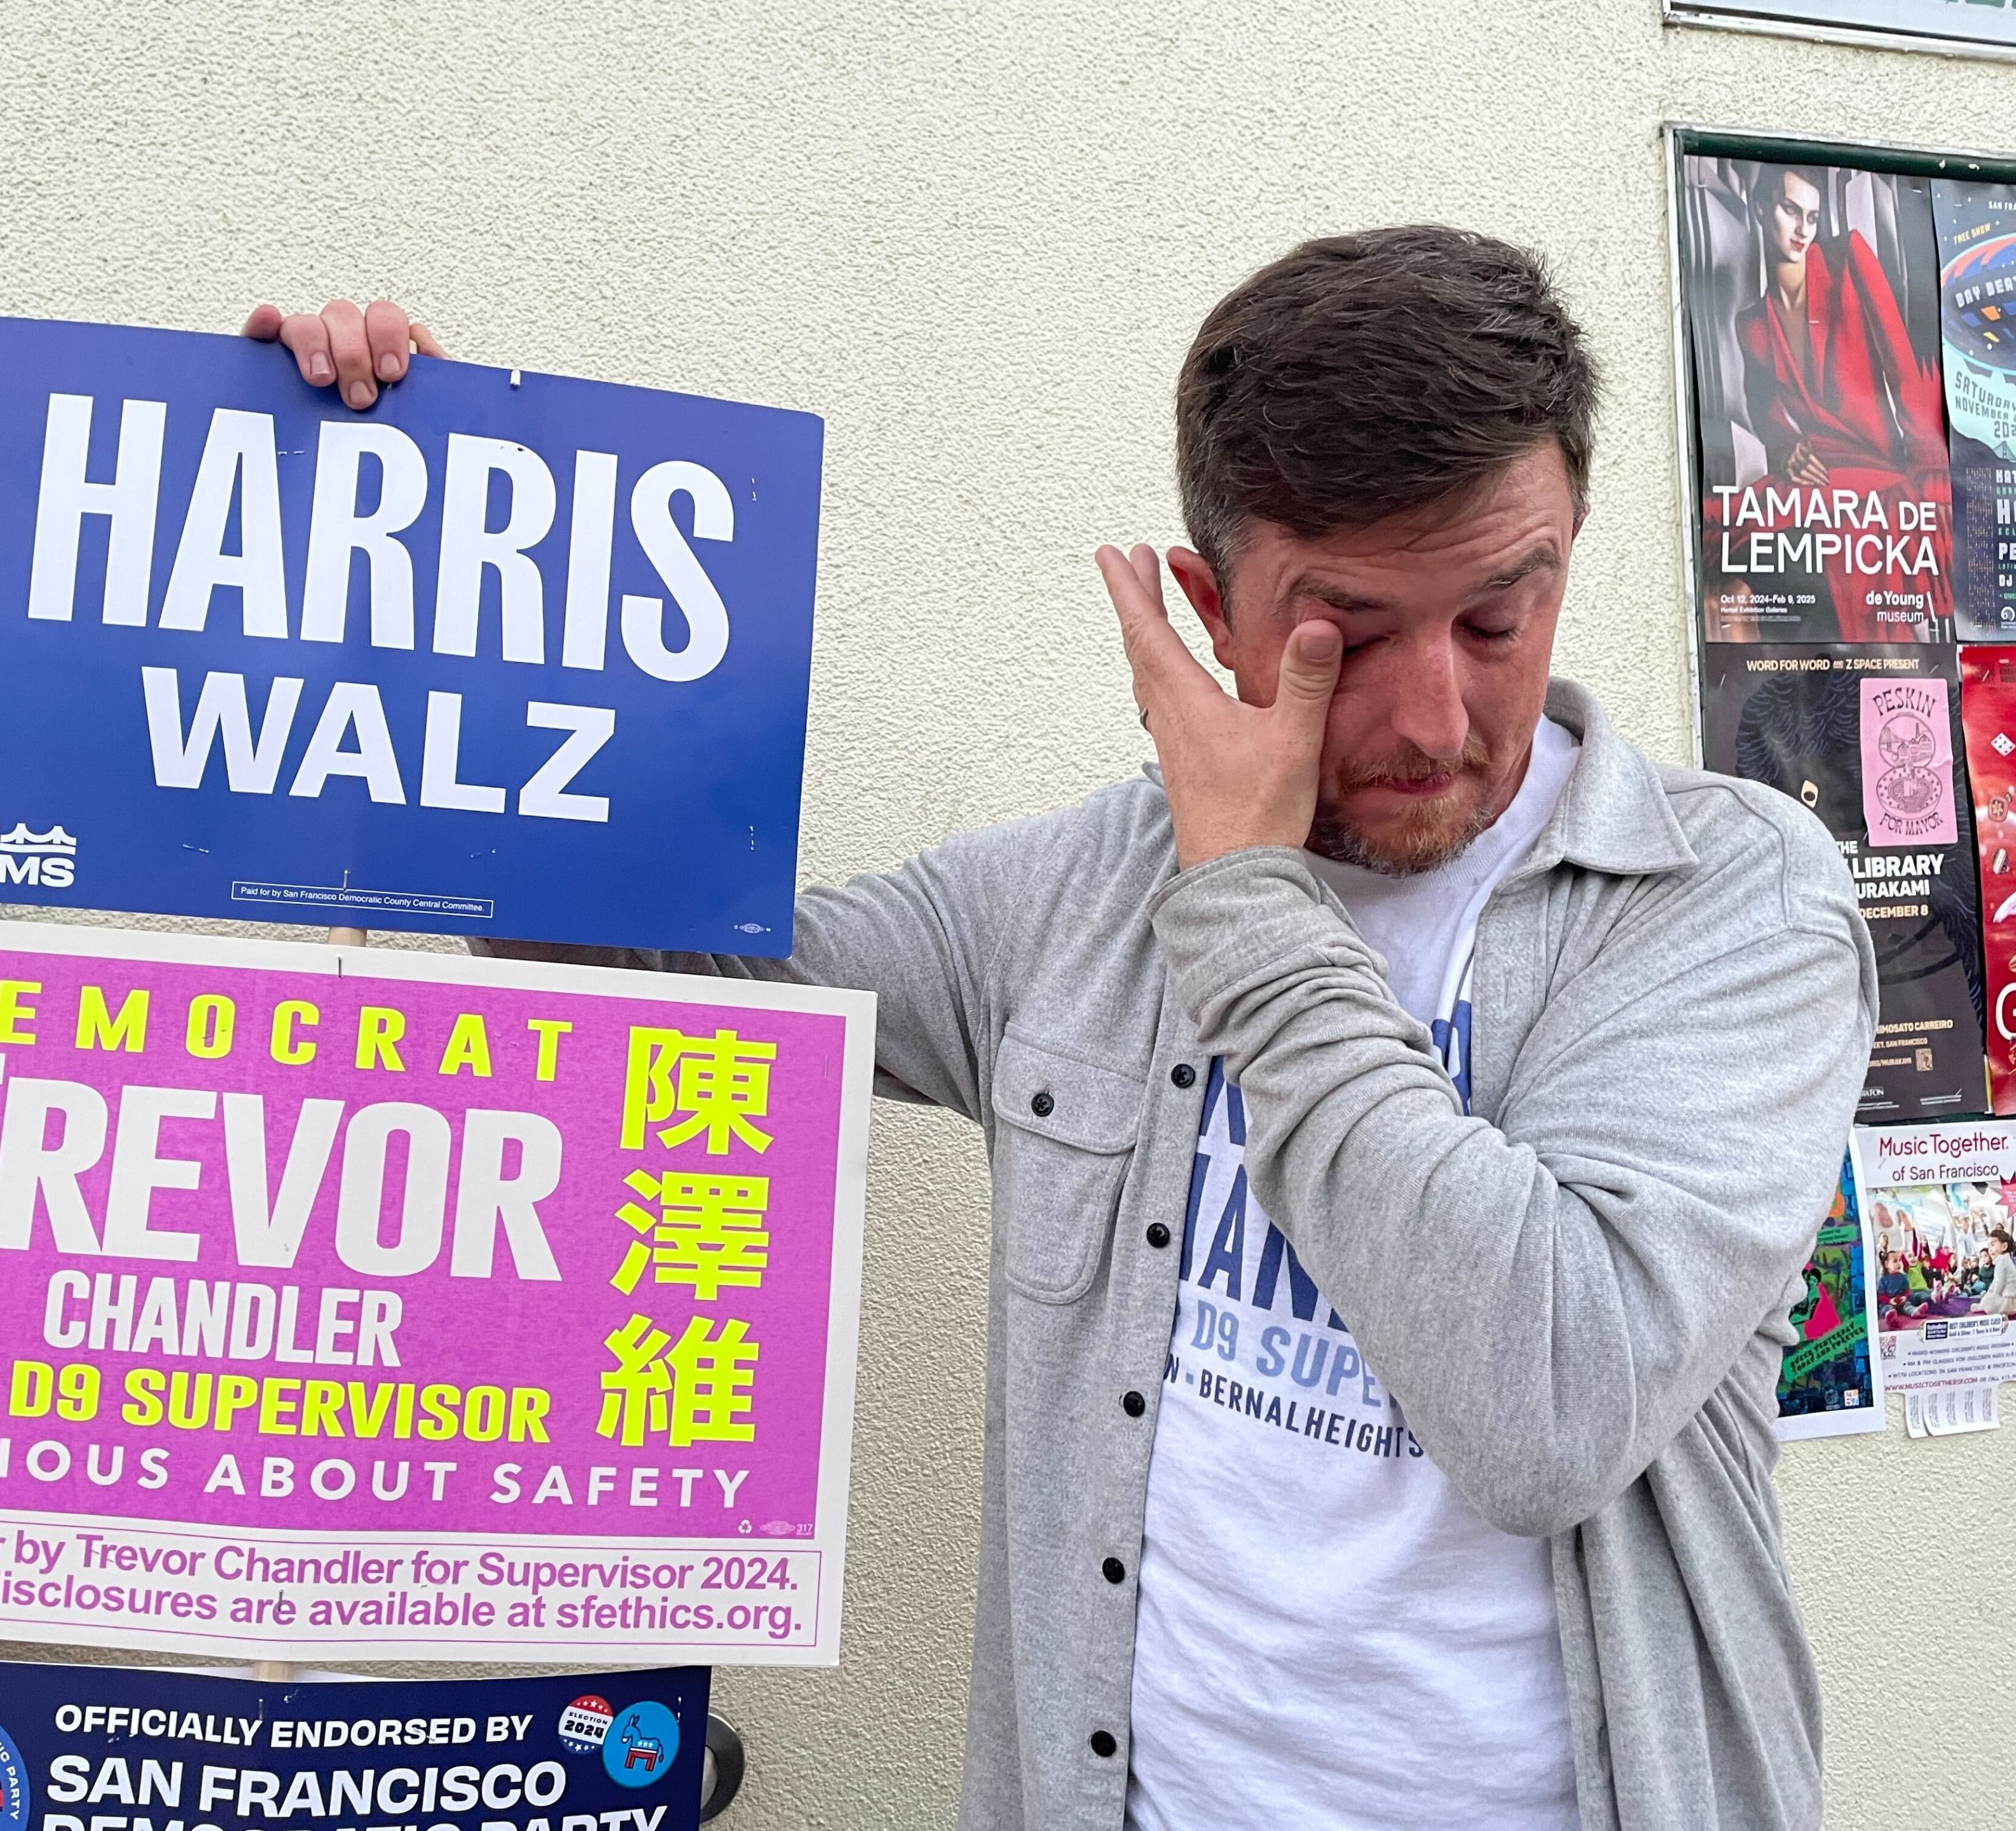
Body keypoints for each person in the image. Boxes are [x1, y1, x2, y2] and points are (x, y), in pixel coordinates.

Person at [250, 226, 1875, 1831]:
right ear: (1200, 611)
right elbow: (682, 983)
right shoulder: (1081, 892)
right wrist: (441, 577)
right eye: (1348, 639)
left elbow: (1545, 1402)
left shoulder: (1730, 904)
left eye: (1496, 622)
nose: (1432, 714)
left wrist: (1245, 904)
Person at [1730, 163, 1952, 642]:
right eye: (1792, 210)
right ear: (1761, 207)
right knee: (1728, 537)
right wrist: (1786, 445)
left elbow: (1903, 369)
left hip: (1880, 467)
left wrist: (1930, 478)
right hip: (1815, 474)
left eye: (1812, 214)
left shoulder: (1848, 255)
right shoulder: (1752, 323)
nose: (1804, 228)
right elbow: (1763, 405)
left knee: (1848, 546)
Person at [1983, 1228, 2016, 1318]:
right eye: (1989, 1246)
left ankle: (1982, 1306)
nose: (1990, 1249)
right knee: (1988, 1296)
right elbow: (1996, 1281)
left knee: (1989, 1302)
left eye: (1993, 1245)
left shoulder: (2002, 1260)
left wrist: (1994, 1295)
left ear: (2004, 1246)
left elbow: (1999, 1282)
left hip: (2009, 1297)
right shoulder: (2004, 1258)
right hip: (2010, 1293)